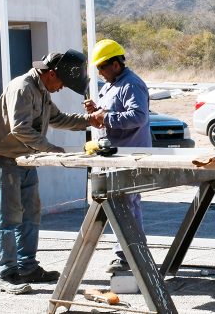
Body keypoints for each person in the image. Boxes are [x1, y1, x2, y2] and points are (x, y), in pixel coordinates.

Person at [0, 50, 96, 294]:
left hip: (25, 160)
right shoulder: (22, 88)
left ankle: (28, 267)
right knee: (9, 218)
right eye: (62, 82)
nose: (61, 88)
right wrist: (50, 148)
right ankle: (7, 272)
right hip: (5, 160)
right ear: (51, 73)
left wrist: (89, 120)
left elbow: (58, 118)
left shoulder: (42, 89)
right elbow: (20, 128)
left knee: (31, 215)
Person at [83, 39, 151, 273]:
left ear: (115, 64)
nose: (100, 72)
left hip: (130, 155)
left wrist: (106, 118)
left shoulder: (131, 84)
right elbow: (110, 111)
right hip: (115, 154)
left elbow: (139, 117)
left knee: (126, 204)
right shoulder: (112, 84)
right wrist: (97, 109)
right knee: (124, 204)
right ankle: (132, 251)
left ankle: (126, 255)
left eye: (102, 67)